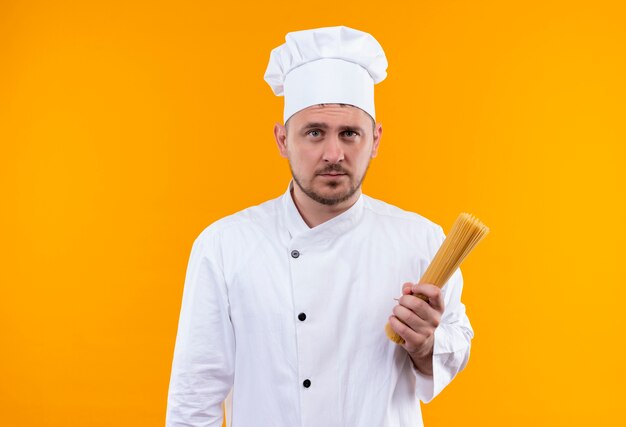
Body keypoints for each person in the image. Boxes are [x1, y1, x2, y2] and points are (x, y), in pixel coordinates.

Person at [166, 26, 473, 427]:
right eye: (314, 133)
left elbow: (456, 346)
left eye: (350, 134)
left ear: (376, 140)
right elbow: (195, 395)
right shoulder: (225, 245)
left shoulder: (423, 241)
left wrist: (425, 344)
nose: (334, 154)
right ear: (281, 140)